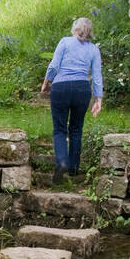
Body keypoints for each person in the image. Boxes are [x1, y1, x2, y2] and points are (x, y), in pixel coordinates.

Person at [40, 17, 103, 183]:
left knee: (60, 129)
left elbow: (54, 66)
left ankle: (61, 161)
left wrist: (47, 82)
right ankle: (74, 168)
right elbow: (96, 76)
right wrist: (98, 99)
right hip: (82, 89)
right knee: (76, 128)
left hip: (61, 88)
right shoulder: (94, 50)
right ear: (90, 32)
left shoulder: (65, 42)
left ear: (75, 29)